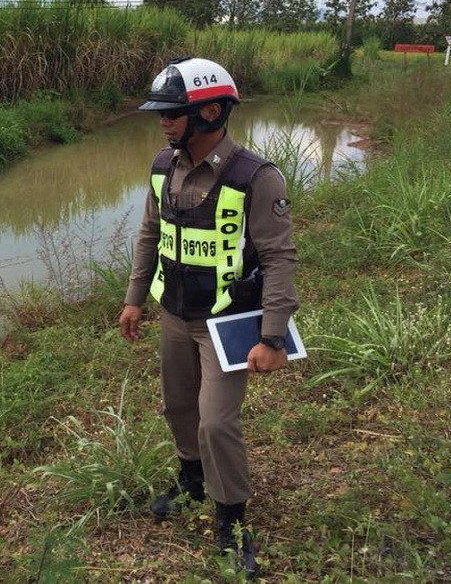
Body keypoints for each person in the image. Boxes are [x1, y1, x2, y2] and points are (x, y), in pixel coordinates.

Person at [118, 56, 298, 578]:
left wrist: (273, 336)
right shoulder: (162, 166)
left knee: (216, 421)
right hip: (173, 312)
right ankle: (191, 479)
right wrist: (134, 297)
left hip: (226, 323)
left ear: (212, 111)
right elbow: (149, 234)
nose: (163, 121)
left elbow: (279, 257)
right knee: (178, 408)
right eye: (161, 113)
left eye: (174, 112)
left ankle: (231, 518)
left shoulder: (255, 177)